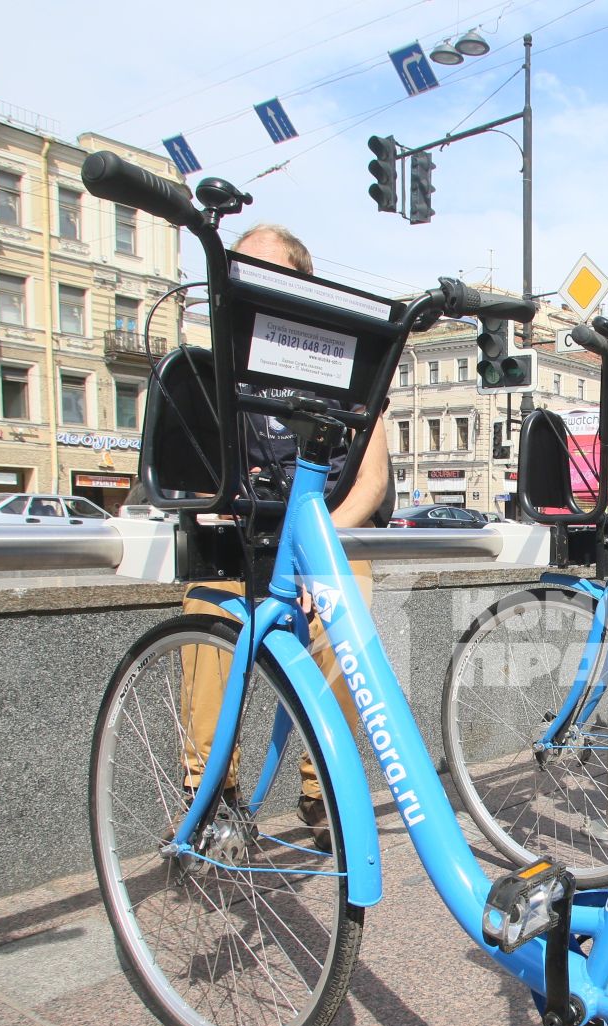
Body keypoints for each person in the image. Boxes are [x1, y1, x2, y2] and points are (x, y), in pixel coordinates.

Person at [179, 224, 392, 844]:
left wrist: (312, 547)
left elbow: (371, 482)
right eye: (241, 274)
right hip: (240, 535)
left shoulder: (342, 367)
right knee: (210, 604)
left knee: (348, 590)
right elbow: (192, 475)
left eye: (271, 277)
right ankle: (209, 792)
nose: (253, 291)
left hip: (318, 534)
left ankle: (322, 785)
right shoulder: (209, 363)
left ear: (303, 287)